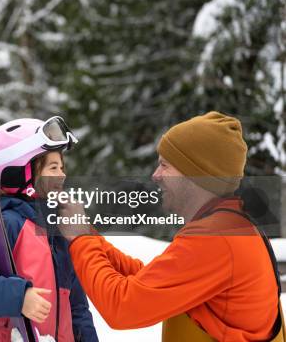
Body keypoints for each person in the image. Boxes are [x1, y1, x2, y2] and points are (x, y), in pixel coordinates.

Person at [60, 111, 285, 341]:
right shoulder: (232, 224)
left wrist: (81, 241)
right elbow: (152, 283)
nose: (155, 176)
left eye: (165, 165)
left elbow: (121, 307)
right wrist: (88, 236)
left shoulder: (215, 237)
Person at [0, 117, 98, 342]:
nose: (62, 174)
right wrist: (19, 297)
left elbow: (77, 308)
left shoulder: (59, 231)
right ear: (20, 173)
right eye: (53, 167)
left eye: (62, 166)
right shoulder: (8, 225)